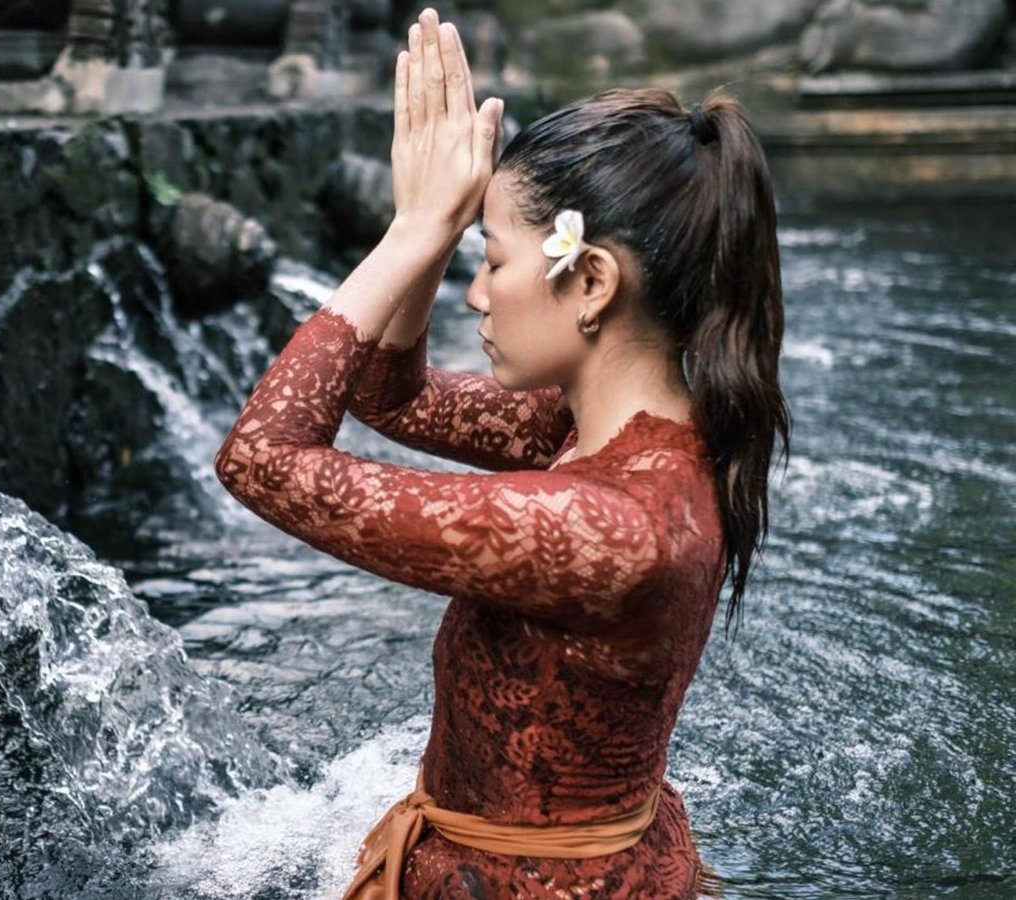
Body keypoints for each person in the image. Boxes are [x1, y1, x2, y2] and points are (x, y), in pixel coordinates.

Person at [212, 7, 790, 898]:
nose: (474, 295)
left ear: (591, 281)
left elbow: (258, 456)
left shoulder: (606, 527)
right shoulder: (611, 431)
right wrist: (435, 227)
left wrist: (407, 235)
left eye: (490, 260)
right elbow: (387, 393)